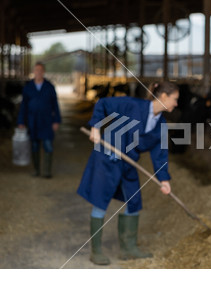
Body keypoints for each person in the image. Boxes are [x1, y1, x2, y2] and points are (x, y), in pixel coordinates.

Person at [77, 82, 179, 265]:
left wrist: (164, 179)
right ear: (163, 96)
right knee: (101, 200)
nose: (176, 104)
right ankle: (96, 251)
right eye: (175, 99)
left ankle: (128, 248)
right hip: (107, 158)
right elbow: (102, 104)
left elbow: (160, 154)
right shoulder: (132, 105)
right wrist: (95, 127)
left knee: (133, 201)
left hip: (128, 162)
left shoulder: (161, 124)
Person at [17, 62, 61, 178]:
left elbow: (55, 105)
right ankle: (36, 170)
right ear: (33, 72)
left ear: (44, 72)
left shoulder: (49, 87)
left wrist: (56, 120)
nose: (38, 72)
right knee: (35, 146)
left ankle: (47, 172)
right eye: (36, 70)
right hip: (33, 121)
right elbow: (23, 106)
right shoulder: (28, 87)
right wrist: (21, 121)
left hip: (47, 121)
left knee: (48, 145)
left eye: (40, 70)